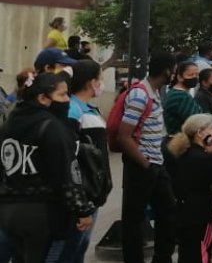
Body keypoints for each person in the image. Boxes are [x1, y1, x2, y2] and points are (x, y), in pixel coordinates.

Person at [0, 72, 93, 262]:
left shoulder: (10, 123)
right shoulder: (53, 127)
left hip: (8, 211)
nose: (67, 100)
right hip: (40, 214)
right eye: (62, 95)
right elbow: (67, 173)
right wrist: (82, 210)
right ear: (42, 98)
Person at [117, 53, 177, 263]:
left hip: (156, 164)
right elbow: (124, 136)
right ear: (167, 71)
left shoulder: (154, 93)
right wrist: (145, 163)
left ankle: (163, 258)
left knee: (168, 212)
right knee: (134, 219)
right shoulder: (140, 95)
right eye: (174, 69)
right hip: (142, 165)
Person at [63, 59, 110, 263]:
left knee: (80, 248)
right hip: (83, 193)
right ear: (92, 82)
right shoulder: (73, 109)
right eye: (100, 78)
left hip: (93, 192)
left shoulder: (88, 109)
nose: (101, 83)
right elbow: (69, 154)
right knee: (72, 249)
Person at [168, 113, 212, 263]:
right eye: (211, 129)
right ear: (200, 133)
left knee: (187, 253)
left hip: (184, 212)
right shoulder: (206, 159)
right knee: (202, 253)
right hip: (203, 216)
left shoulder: (181, 154)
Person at [163, 60, 202, 136]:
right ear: (180, 77)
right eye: (190, 75)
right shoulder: (180, 96)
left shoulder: (175, 92)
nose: (194, 77)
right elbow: (195, 120)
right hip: (181, 140)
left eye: (197, 74)